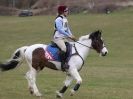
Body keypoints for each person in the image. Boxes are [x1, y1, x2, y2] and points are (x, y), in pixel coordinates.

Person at [52, 5, 76, 71]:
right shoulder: (58, 19)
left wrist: (72, 35)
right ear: (62, 12)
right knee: (64, 48)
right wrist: (68, 36)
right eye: (66, 11)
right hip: (58, 38)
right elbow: (60, 30)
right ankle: (62, 64)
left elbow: (67, 28)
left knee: (71, 46)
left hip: (63, 37)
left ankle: (68, 61)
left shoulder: (65, 19)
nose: (67, 12)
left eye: (68, 10)